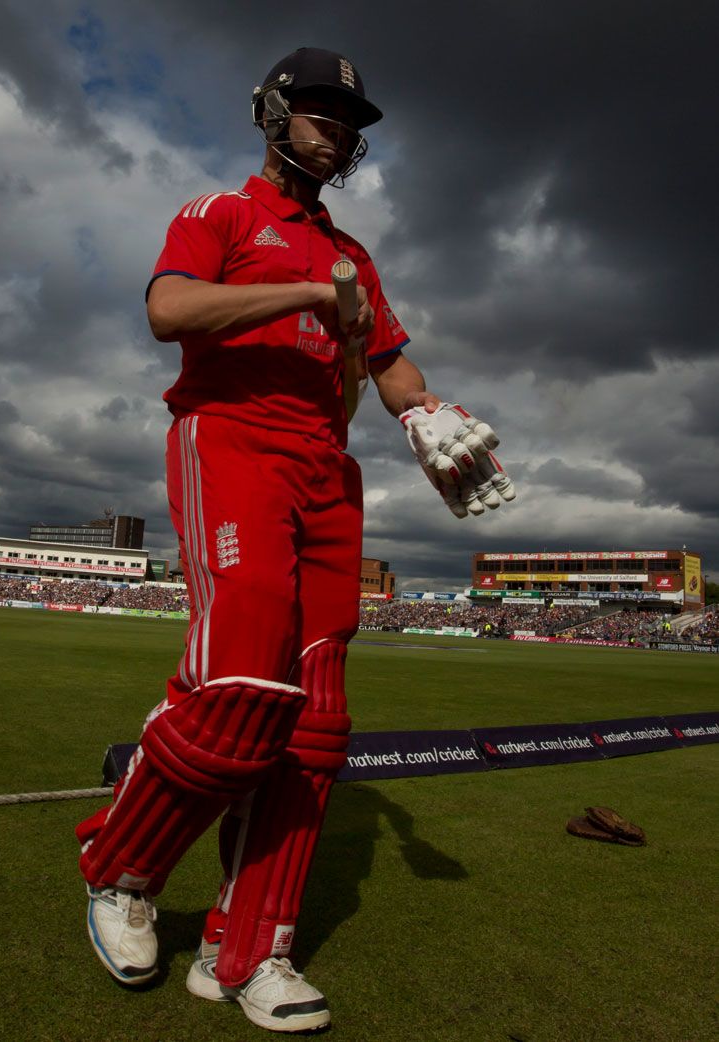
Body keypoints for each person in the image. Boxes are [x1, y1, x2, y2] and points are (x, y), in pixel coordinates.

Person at [75, 47, 508, 1033]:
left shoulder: (356, 255)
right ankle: (120, 870)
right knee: (240, 694)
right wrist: (308, 297)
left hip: (326, 473)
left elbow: (388, 358)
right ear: (271, 111)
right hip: (231, 444)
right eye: (319, 108)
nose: (338, 128)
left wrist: (423, 415)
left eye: (349, 118)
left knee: (313, 729)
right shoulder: (217, 214)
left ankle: (249, 948)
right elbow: (167, 308)